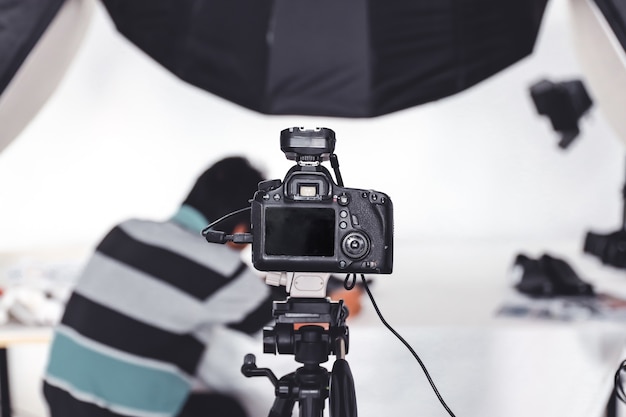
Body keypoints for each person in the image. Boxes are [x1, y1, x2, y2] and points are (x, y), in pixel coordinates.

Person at [42, 156, 363, 417]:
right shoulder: (222, 269)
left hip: (59, 393)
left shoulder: (126, 231)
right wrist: (341, 294)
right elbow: (283, 314)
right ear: (240, 230)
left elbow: (177, 277)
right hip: (125, 412)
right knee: (233, 410)